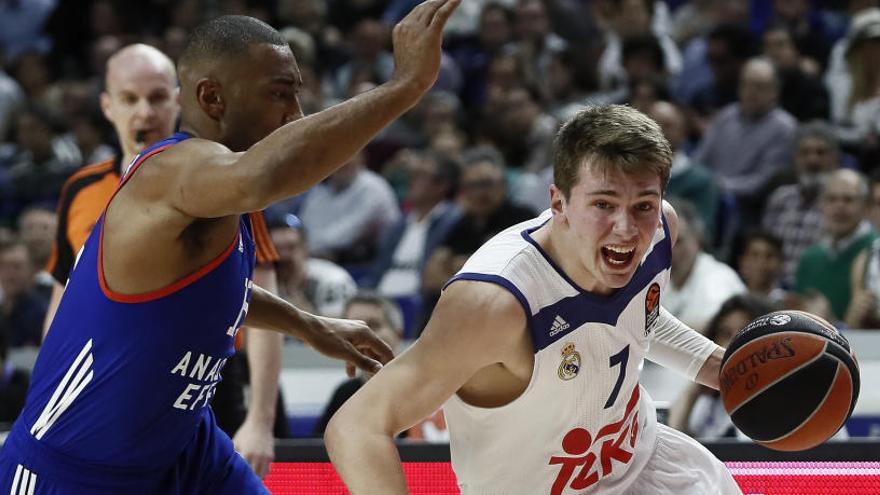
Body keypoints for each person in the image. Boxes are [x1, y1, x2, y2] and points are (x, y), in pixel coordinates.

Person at [0, 0, 457, 492]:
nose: (295, 115)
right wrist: (404, 87)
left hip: (184, 445)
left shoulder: (218, 196)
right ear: (213, 99)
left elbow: (207, 292)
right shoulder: (170, 171)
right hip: (75, 464)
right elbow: (268, 173)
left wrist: (308, 325)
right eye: (280, 95)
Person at [327, 105, 741, 494]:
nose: (626, 228)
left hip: (646, 465)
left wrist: (726, 371)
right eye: (603, 204)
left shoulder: (662, 228)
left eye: (643, 205)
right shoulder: (492, 303)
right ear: (558, 202)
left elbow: (638, 316)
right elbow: (357, 426)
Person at [39, 43, 285, 479]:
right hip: (107, 391)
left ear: (177, 98)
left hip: (204, 381)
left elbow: (257, 285)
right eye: (130, 99)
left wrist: (261, 420)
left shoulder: (226, 184)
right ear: (107, 106)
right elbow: (64, 295)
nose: (144, 113)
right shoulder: (81, 189)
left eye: (156, 97)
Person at [668, 295, 772, 439]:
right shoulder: (707, 400)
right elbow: (678, 445)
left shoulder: (776, 396)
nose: (731, 344)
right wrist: (692, 394)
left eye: (744, 333)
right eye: (725, 334)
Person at [313, 291, 404, 436]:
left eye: (373, 326)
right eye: (353, 328)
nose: (363, 337)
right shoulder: (344, 393)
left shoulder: (425, 388)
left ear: (398, 334)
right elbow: (317, 451)